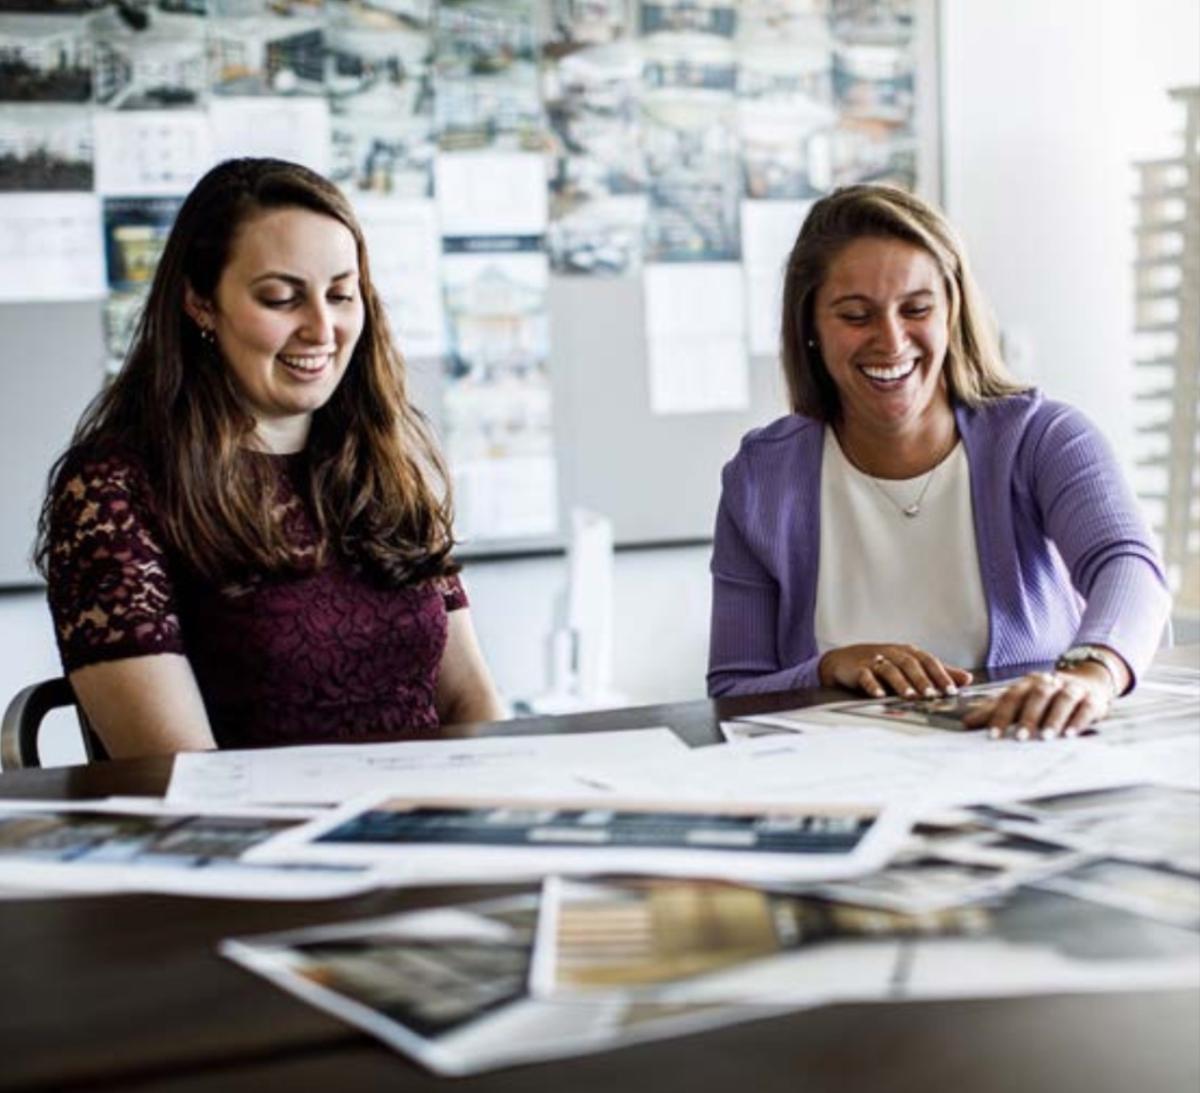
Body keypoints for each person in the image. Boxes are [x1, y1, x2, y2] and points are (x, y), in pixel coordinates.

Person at [37, 157, 504, 758]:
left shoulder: (383, 463)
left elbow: (471, 703)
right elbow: (179, 770)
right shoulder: (114, 489)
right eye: (282, 299)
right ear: (202, 303)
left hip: (429, 828)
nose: (322, 328)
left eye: (341, 294)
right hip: (258, 841)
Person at [707, 184, 1170, 740]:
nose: (892, 340)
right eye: (856, 315)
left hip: (1024, 757)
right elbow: (733, 690)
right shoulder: (761, 479)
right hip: (846, 786)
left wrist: (1089, 675)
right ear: (810, 327)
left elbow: (1129, 566)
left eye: (917, 309)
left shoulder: (1043, 437)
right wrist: (830, 667)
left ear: (952, 311)